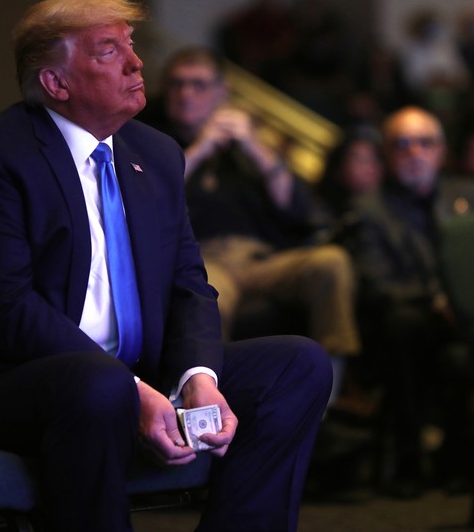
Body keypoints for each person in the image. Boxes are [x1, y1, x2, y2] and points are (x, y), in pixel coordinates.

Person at [0, 0, 332, 532]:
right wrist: (131, 389)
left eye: (131, 44)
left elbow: (188, 283)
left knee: (296, 366)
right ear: (56, 83)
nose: (137, 61)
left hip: (126, 372)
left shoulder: (156, 153)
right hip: (4, 380)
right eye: (107, 50)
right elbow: (3, 306)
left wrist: (199, 376)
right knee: (98, 385)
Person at [139, 46, 360, 405]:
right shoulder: (151, 141)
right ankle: (218, 406)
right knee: (204, 298)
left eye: (198, 84)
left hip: (262, 259)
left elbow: (296, 206)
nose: (186, 93)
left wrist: (254, 145)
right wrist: (201, 147)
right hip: (204, 260)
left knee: (331, 262)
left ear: (222, 92)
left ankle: (329, 398)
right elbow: (150, 201)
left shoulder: (245, 147)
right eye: (178, 84)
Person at [342, 106, 474, 499]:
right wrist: (436, 302)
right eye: (402, 144)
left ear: (441, 151)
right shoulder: (369, 208)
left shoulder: (473, 196)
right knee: (402, 325)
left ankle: (466, 460)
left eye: (425, 143)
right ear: (387, 155)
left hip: (467, 320)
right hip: (405, 323)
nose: (415, 153)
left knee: (473, 338)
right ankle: (410, 461)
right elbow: (376, 284)